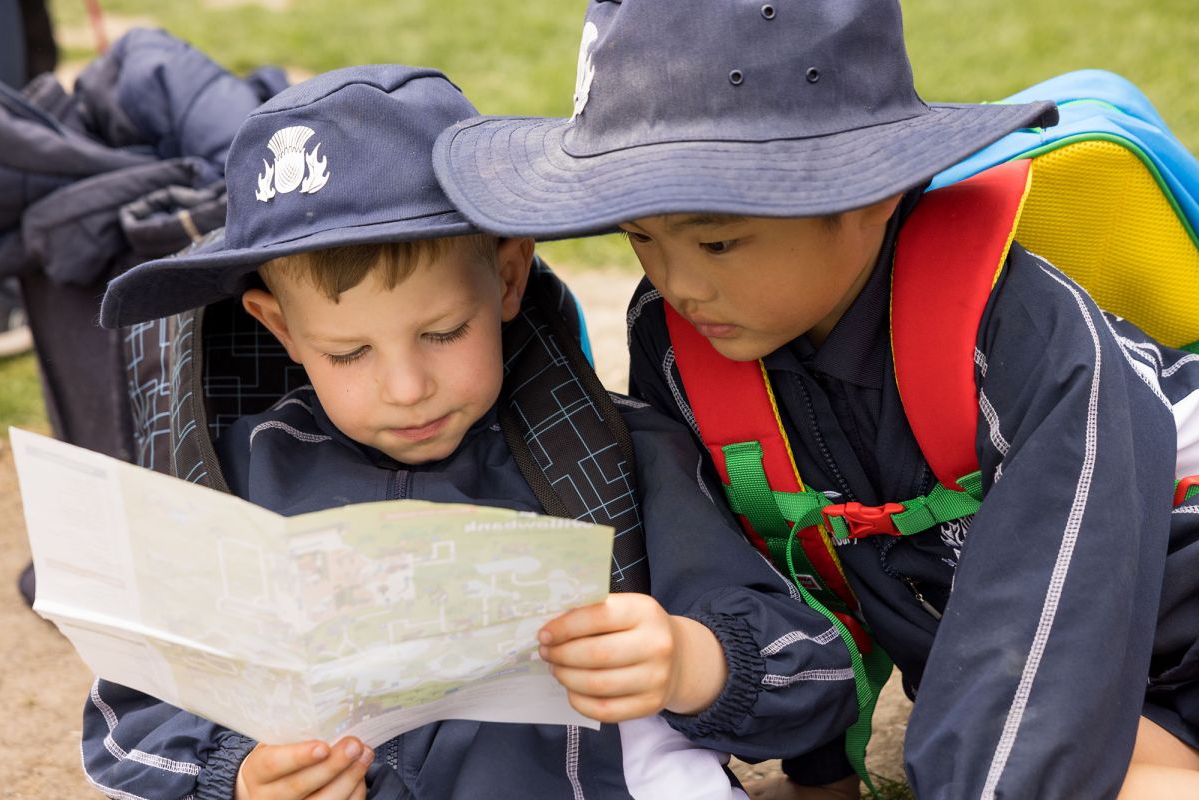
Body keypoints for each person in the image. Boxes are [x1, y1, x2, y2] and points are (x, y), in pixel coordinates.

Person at [430, 1, 1199, 798]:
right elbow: (769, 561)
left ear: (867, 196)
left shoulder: (1021, 332)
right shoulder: (681, 347)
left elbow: (1041, 651)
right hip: (1111, 705)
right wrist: (820, 774)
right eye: (640, 236)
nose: (679, 282)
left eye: (718, 239)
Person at [87, 64, 863, 800]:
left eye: (444, 332)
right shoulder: (236, 482)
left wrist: (692, 664)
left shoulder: (616, 455)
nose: (406, 387)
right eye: (349, 352)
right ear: (279, 328)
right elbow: (128, 722)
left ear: (510, 277)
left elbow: (817, 674)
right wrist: (242, 776)